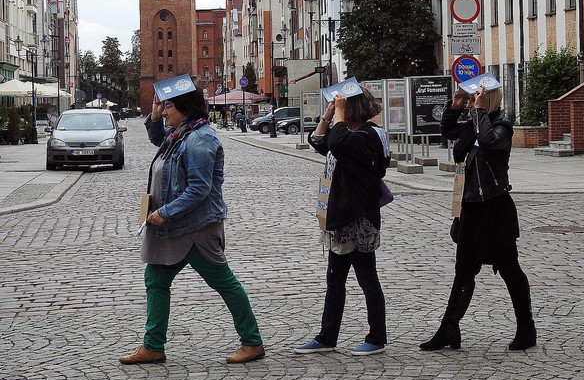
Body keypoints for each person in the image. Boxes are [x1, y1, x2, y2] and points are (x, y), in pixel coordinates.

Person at [119, 82, 266, 365]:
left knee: (224, 282)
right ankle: (153, 346)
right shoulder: (182, 134)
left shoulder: (200, 140)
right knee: (156, 279)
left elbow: (199, 189)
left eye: (169, 106)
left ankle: (252, 342)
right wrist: (153, 113)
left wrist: (166, 212)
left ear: (186, 108)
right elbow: (159, 140)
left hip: (197, 229)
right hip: (176, 228)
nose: (164, 112)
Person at [420, 85, 537, 351]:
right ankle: (449, 328)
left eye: (475, 99)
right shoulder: (473, 124)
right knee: (463, 271)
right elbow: (448, 132)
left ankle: (526, 328)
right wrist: (456, 106)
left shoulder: (501, 126)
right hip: (470, 206)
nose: (472, 103)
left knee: (510, 270)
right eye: (471, 99)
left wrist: (481, 111)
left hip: (495, 208)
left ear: (489, 100)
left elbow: (489, 142)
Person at [294, 88, 390, 356]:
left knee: (367, 279)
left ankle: (376, 337)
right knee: (334, 281)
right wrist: (327, 115)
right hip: (339, 219)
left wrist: (339, 112)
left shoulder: (367, 136)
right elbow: (319, 142)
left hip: (358, 218)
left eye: (340, 107)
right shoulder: (347, 135)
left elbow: (336, 144)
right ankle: (327, 336)